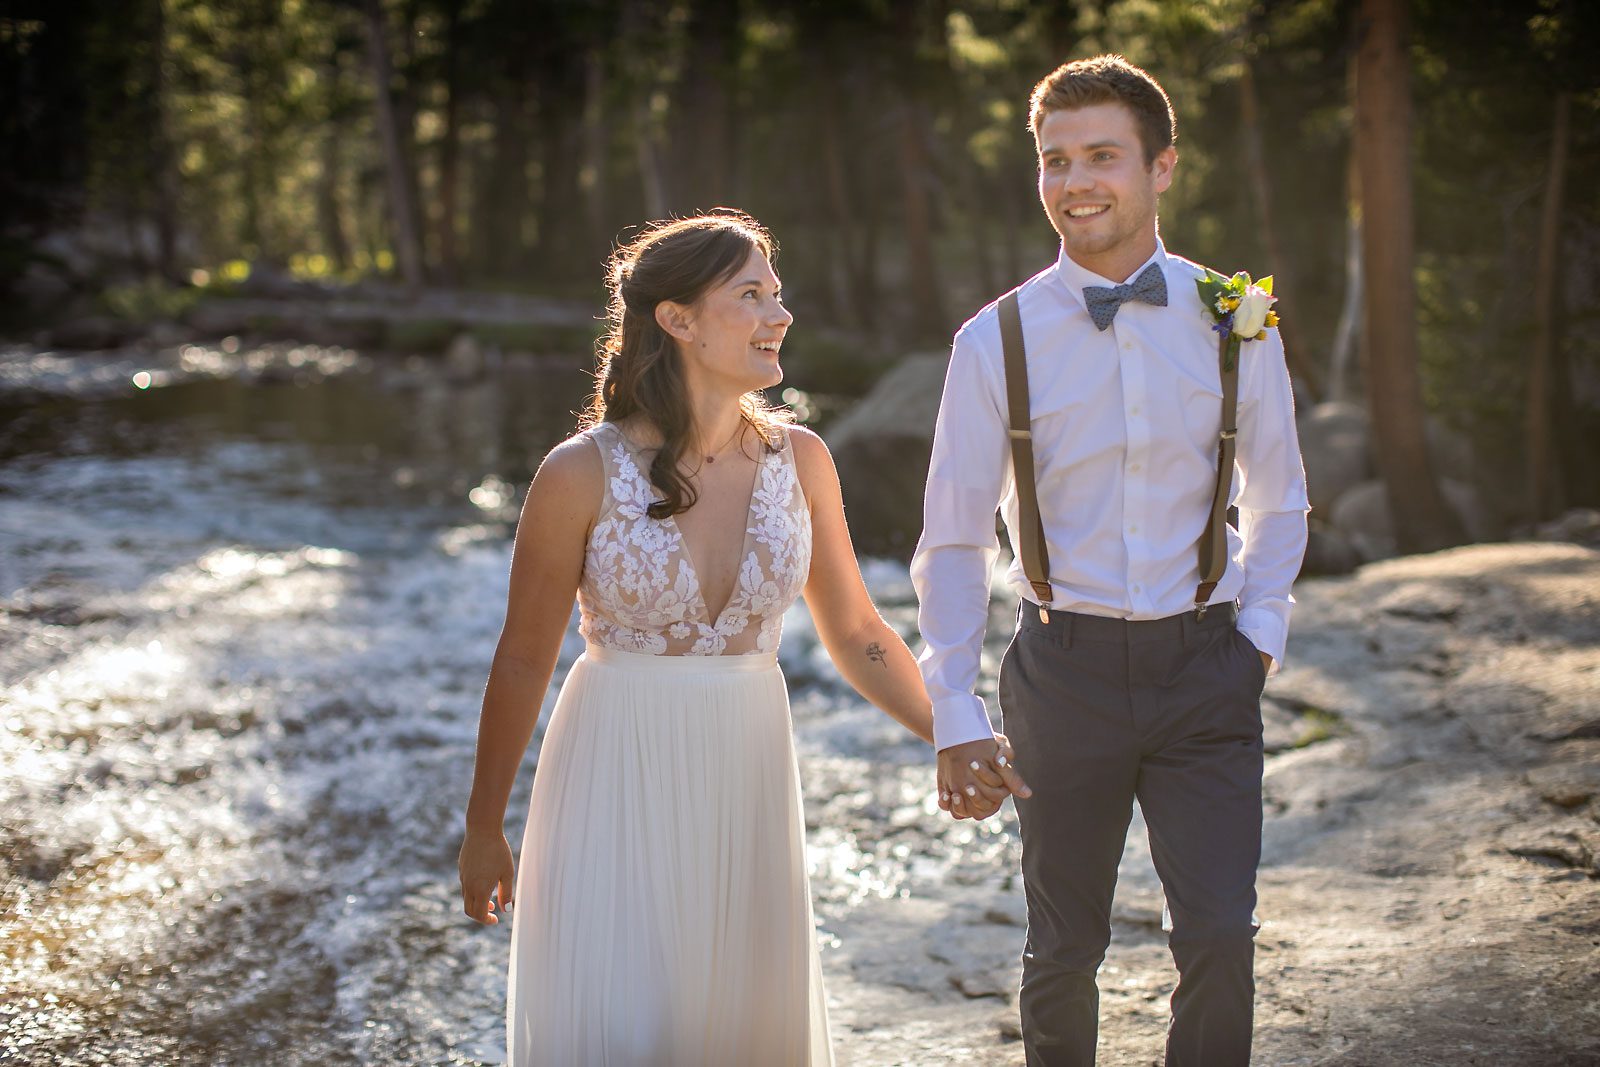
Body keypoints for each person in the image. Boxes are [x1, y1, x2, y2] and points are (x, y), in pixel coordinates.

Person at [457, 211, 1014, 1066]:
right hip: (616, 764)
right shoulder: (578, 471)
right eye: (750, 295)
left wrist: (954, 730)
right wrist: (485, 826)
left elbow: (861, 630)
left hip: (747, 767)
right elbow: (525, 657)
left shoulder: (804, 460)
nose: (779, 315)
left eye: (778, 295)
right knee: (628, 1016)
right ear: (676, 319)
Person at [912, 56, 1310, 1066]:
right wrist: (953, 706)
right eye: (1054, 160)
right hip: (1061, 670)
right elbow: (952, 532)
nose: (1074, 180)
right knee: (1061, 946)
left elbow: (1279, 493)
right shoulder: (992, 338)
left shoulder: (1234, 317)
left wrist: (1257, 635)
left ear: (1162, 166)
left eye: (1101, 156)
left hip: (1205, 670)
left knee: (1219, 932)